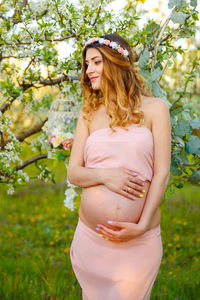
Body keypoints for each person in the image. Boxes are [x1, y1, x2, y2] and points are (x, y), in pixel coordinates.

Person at [67, 33, 171, 300]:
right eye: (86, 64)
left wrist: (143, 224)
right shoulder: (88, 113)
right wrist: (107, 176)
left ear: (116, 62)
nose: (88, 70)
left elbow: (161, 174)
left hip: (139, 239)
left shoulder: (156, 109)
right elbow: (74, 173)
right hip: (92, 239)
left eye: (96, 62)